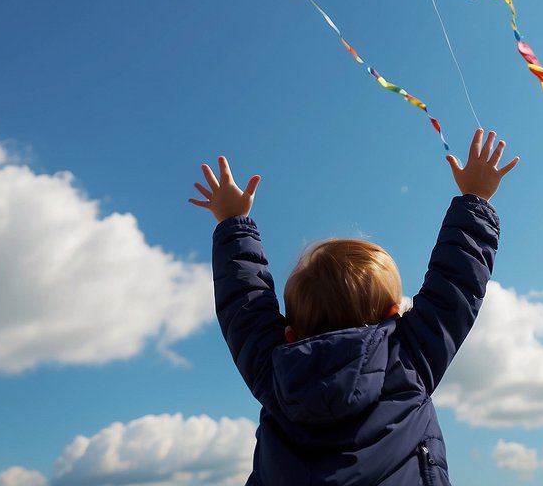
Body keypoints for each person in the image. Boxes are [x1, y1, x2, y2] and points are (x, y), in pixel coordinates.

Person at [189, 129, 518, 485]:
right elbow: (456, 283)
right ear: (395, 315)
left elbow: (243, 304)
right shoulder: (408, 359)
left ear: (289, 334)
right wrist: (476, 199)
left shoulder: (273, 375)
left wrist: (232, 223)